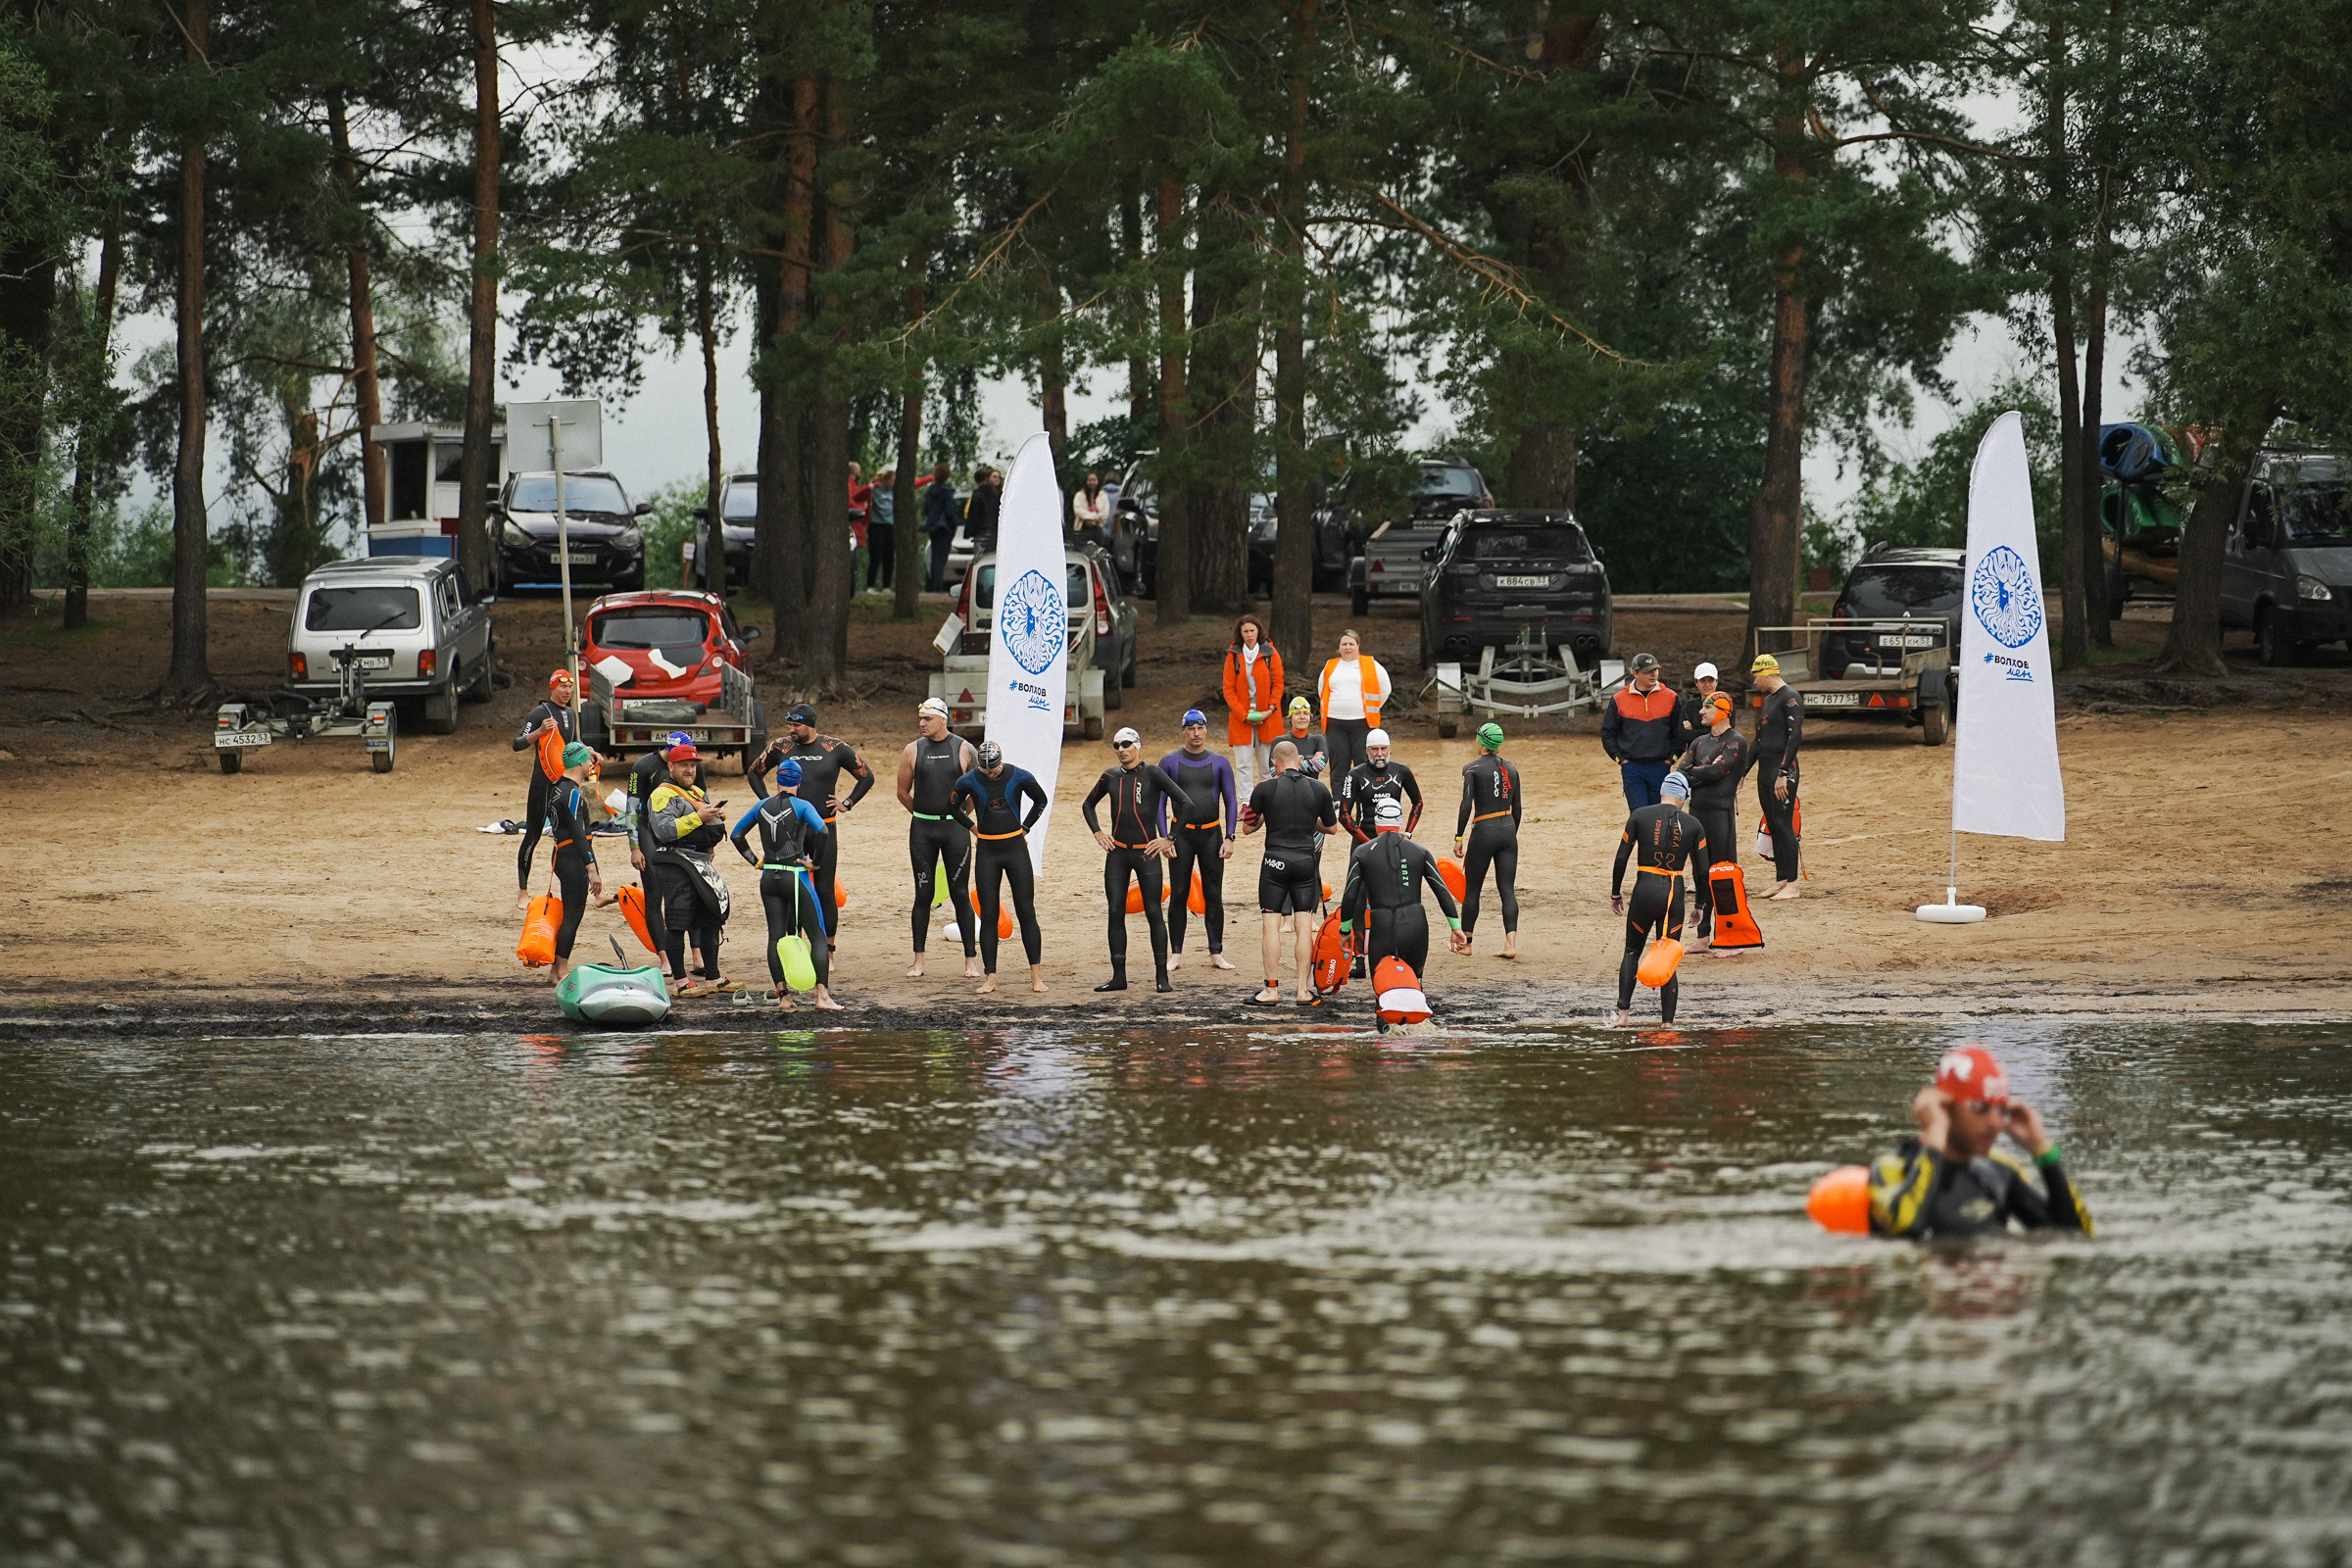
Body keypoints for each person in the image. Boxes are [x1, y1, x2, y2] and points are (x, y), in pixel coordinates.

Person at [1868, 1046, 2093, 1240]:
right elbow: (1905, 1227)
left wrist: (2043, 1152)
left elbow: (2074, 1236)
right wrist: (1936, 1133)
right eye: (1980, 1108)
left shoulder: (1999, 1172)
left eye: (2001, 1109)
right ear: (1945, 1108)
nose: (1995, 1123)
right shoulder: (1894, 1168)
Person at [1081, 726, 1193, 993]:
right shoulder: (1109, 776)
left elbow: (1185, 803)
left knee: (1154, 912)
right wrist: (1098, 833)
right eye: (1116, 745)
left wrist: (1170, 838)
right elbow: (1087, 804)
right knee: (1115, 912)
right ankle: (1118, 976)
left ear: (1137, 745)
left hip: (1147, 853)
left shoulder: (1153, 773)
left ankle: (1161, 977)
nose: (1121, 749)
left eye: (1126, 744)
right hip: (1117, 853)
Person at [729, 759, 842, 1012]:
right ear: (799, 782)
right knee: (817, 935)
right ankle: (823, 997)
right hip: (795, 875)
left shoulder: (761, 806)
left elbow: (736, 835)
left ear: (778, 780)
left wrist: (756, 862)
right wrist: (816, 864)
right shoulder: (803, 805)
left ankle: (784, 998)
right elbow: (823, 832)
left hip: (769, 879)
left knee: (776, 937)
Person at [756, 703, 875, 942]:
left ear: (810, 725)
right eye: (789, 724)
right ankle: (796, 943)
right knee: (792, 889)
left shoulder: (835, 747)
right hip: (791, 831)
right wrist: (768, 801)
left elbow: (866, 777)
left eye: (796, 725)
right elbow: (754, 772)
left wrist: (848, 803)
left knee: (824, 890)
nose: (791, 729)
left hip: (824, 827)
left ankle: (828, 948)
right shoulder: (780, 746)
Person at [1340, 793, 1467, 1012]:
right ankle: (1418, 1036)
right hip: (1415, 924)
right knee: (1415, 984)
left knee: (1383, 990)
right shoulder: (1419, 851)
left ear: (1377, 822)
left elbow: (1350, 895)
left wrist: (1345, 931)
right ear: (1399, 822)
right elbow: (1441, 890)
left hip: (1382, 924)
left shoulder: (1362, 853)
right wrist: (1456, 928)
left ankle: (1386, 1033)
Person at [1608, 770, 1711, 1026]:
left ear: (1662, 792)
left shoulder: (1639, 816)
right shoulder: (1694, 825)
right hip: (1672, 894)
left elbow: (1621, 857)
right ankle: (1667, 1024)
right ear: (1684, 797)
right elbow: (1702, 870)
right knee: (1667, 956)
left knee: (1632, 950)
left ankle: (1622, 1015)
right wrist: (1700, 905)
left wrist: (1616, 892)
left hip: (1644, 890)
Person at [1240, 737, 1338, 1005]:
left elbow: (1248, 827)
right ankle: (1303, 991)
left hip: (1275, 862)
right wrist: (1307, 821)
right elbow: (1331, 828)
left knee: (1270, 926)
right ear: (1299, 761)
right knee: (1304, 926)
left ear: (1275, 763)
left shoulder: (1264, 788)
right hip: (1306, 862)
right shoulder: (1318, 789)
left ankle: (1271, 991)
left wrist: (1267, 814)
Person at [951, 740, 1052, 995]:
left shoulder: (1019, 775)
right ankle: (991, 977)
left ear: (1000, 762)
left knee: (1026, 910)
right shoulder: (969, 780)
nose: (991, 774)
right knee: (989, 915)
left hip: (1015, 849)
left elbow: (1041, 800)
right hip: (988, 851)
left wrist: (1025, 828)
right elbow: (951, 806)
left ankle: (1036, 976)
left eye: (994, 770)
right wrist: (973, 828)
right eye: (987, 771)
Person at [897, 697, 979, 980]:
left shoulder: (965, 748)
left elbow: (976, 793)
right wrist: (923, 814)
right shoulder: (912, 750)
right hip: (922, 831)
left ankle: (970, 962)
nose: (921, 723)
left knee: (960, 894)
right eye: (920, 718)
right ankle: (918, 962)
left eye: (927, 719)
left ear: (943, 719)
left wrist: (959, 816)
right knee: (923, 895)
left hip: (955, 831)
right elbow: (903, 793)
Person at [645, 740, 733, 997]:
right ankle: (681, 983)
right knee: (677, 922)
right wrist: (700, 818)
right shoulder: (661, 794)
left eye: (693, 765)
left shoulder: (696, 792)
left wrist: (715, 817)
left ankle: (712, 978)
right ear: (670, 766)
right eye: (684, 765)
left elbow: (700, 824)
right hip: (674, 861)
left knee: (710, 918)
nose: (689, 770)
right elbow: (664, 830)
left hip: (699, 861)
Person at [1159, 710, 1239, 973]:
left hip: (1211, 835)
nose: (1196, 733)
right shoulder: (1169, 762)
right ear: (1183, 731)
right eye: (1191, 728)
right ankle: (1176, 954)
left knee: (1213, 895)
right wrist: (1165, 838)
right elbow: (1159, 804)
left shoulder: (1219, 762)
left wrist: (1229, 837)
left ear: (1206, 730)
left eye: (1200, 728)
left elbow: (1230, 800)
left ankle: (1216, 952)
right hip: (1180, 836)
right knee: (1179, 894)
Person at [1679, 693, 1749, 945]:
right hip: (1697, 816)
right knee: (1700, 874)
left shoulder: (1736, 741)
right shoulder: (1699, 741)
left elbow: (1716, 771)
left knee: (1723, 876)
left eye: (1706, 708)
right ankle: (1703, 936)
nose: (1700, 712)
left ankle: (1732, 937)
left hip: (1720, 818)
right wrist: (1699, 773)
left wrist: (1694, 772)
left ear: (1722, 711)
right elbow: (1681, 771)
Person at [512, 669, 583, 908]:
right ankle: (523, 893)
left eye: (570, 688)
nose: (567, 692)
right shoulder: (540, 712)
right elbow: (517, 743)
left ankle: (591, 889)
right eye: (563, 687)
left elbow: (574, 743)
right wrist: (540, 732)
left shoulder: (572, 713)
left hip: (563, 784)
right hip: (542, 784)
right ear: (553, 687)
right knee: (533, 835)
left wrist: (589, 751)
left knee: (574, 836)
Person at [1452, 722, 1521, 958]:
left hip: (1483, 830)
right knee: (1507, 890)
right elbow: (1518, 808)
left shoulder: (1471, 768)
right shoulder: (1512, 768)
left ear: (1481, 741)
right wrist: (1511, 833)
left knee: (1473, 889)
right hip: (1508, 829)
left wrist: (1459, 837)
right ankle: (1510, 945)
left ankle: (1468, 944)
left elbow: (1466, 805)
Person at [546, 742, 603, 986]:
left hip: (561, 853)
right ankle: (561, 970)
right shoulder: (574, 794)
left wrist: (588, 751)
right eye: (588, 760)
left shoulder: (558, 787)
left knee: (569, 913)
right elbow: (580, 834)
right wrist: (591, 868)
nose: (592, 763)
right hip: (573, 857)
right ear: (579, 762)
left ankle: (553, 971)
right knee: (573, 914)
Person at [1749, 653, 1804, 899]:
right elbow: (1759, 740)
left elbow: (1795, 737)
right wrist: (1742, 773)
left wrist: (1783, 773)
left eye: (1755, 677)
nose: (1754, 683)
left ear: (1767, 673)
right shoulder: (1769, 700)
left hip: (1783, 770)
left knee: (1783, 825)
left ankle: (1793, 884)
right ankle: (1781, 878)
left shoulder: (1790, 697)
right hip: (1766, 768)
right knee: (1773, 824)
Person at [1601, 652, 1684, 810]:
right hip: (1632, 768)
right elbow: (1608, 733)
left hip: (1661, 767)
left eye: (1656, 670)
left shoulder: (1671, 697)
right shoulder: (1619, 699)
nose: (1654, 674)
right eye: (1648, 671)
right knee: (1639, 815)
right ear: (1635, 673)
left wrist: (1671, 759)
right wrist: (1621, 760)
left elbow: (1679, 733)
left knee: (1659, 815)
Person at [1221, 612, 1284, 797]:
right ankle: (1246, 802)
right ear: (1240, 634)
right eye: (1245, 631)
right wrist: (1244, 715)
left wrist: (1270, 710)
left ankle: (1268, 800)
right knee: (1243, 764)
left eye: (1252, 630)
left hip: (1268, 717)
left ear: (1258, 631)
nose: (1249, 635)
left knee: (1268, 763)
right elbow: (1228, 689)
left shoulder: (1270, 653)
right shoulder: (1233, 656)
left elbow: (1279, 684)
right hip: (1241, 718)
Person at [1317, 629, 1392, 782]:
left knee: (1363, 763)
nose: (1347, 647)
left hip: (1362, 723)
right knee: (1338, 765)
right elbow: (1322, 690)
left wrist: (1370, 708)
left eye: (1351, 644)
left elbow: (1385, 689)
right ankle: (1339, 802)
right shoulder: (1330, 665)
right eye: (1344, 644)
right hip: (1335, 723)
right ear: (1339, 647)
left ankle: (1364, 803)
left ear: (1358, 645)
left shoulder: (1371, 664)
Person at [1338, 727, 1422, 845]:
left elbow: (1418, 802)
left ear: (1389, 749)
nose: (1379, 754)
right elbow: (1343, 814)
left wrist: (1408, 833)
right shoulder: (1356, 774)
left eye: (1383, 748)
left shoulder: (1402, 771)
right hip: (1364, 840)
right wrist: (1367, 843)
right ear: (1367, 750)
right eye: (1374, 749)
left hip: (1393, 840)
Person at [922, 461, 958, 592]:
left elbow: (926, 508)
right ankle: (938, 585)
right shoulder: (947, 492)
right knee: (941, 557)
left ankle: (935, 582)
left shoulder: (930, 490)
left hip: (933, 526)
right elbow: (950, 510)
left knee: (934, 556)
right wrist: (953, 523)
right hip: (945, 527)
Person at [1677, 661, 1722, 753]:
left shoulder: (1726, 705)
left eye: (1710, 680)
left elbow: (1724, 734)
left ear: (1716, 681)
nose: (1707, 684)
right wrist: (1710, 732)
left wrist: (1692, 731)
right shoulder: (1689, 706)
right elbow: (1682, 734)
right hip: (1694, 758)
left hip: (1718, 757)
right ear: (1696, 683)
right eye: (1703, 681)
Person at [866, 469, 897, 591]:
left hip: (889, 526)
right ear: (885, 480)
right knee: (875, 556)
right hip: (876, 525)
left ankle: (887, 586)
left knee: (889, 557)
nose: (894, 483)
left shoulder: (893, 492)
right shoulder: (875, 490)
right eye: (892, 480)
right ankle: (870, 585)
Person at [1280, 695, 1324, 771]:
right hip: (1286, 783)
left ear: (1310, 717)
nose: (1302, 717)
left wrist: (1288, 764)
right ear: (1290, 718)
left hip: (1311, 783)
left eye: (1306, 713)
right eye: (1297, 713)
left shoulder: (1318, 740)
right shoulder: (1280, 741)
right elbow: (1274, 770)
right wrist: (1312, 761)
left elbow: (1319, 765)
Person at [964, 466, 1004, 554]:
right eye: (994, 476)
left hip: (981, 531)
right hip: (994, 531)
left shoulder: (978, 494)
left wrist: (969, 531)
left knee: (980, 557)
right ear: (987, 478)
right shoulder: (997, 495)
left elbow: (973, 514)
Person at [847, 462, 871, 590]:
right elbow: (853, 503)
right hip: (855, 524)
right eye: (859, 471)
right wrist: (866, 508)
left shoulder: (853, 485)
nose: (860, 473)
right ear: (855, 472)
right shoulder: (849, 486)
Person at [1071, 470, 1109, 548]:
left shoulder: (1103, 495)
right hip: (1082, 530)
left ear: (1098, 481)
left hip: (1097, 529)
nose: (1091, 482)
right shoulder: (1080, 495)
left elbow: (1105, 512)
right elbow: (1079, 511)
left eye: (1094, 480)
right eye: (1089, 480)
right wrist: (1094, 517)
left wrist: (1098, 517)